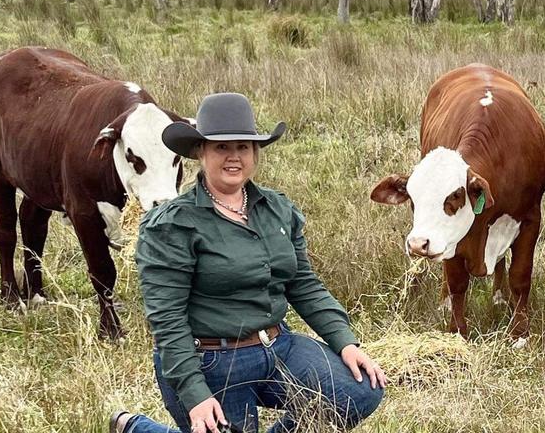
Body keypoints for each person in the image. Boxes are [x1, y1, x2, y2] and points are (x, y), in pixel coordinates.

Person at [111, 93, 386, 433]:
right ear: (201, 152)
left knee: (360, 392)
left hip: (278, 346)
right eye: (221, 147)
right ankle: (140, 428)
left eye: (243, 147)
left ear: (255, 152)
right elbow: (167, 320)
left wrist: (345, 342)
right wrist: (196, 395)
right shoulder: (172, 225)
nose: (233, 157)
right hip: (209, 360)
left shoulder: (277, 209)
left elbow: (303, 284)